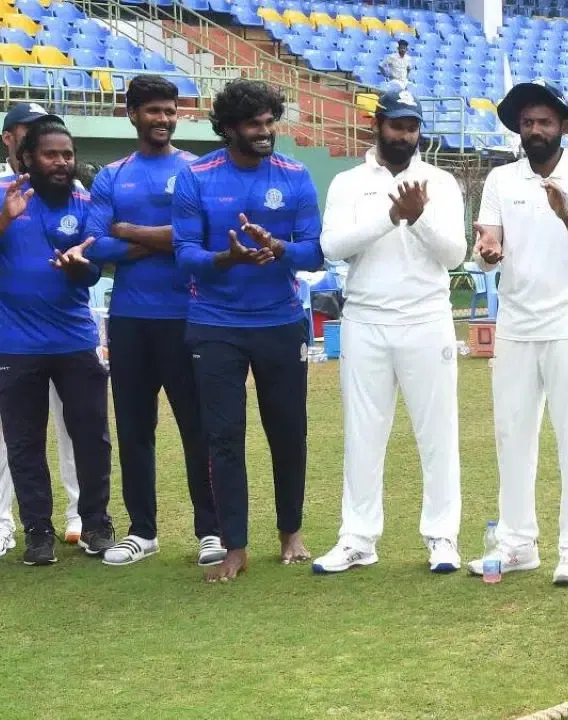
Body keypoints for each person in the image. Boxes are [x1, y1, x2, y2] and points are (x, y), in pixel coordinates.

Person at [173, 79, 325, 582]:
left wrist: (279, 249)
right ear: (229, 127)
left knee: (288, 432)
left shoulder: (296, 175)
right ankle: (234, 546)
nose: (265, 131)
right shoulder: (197, 177)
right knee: (223, 437)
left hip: (281, 322)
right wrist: (226, 256)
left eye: (269, 121)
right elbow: (184, 255)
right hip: (215, 325)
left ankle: (291, 534)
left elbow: (315, 251)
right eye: (253, 124)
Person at [313, 89, 467, 574]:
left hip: (426, 318)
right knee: (363, 433)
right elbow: (333, 246)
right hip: (366, 320)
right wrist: (391, 217)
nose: (405, 135)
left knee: (437, 433)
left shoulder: (439, 181)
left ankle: (442, 536)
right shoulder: (348, 182)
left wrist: (418, 221)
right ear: (377, 124)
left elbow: (455, 256)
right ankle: (358, 537)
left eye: (412, 127)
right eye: (397, 125)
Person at [467, 80, 568, 585]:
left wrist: (564, 212)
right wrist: (488, 252)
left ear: (562, 126)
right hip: (515, 325)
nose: (534, 130)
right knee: (512, 437)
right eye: (527, 123)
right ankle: (518, 542)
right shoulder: (501, 180)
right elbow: (490, 241)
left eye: (544, 122)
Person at [83, 76, 224, 568]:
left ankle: (211, 530)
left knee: (197, 428)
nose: (163, 119)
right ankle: (143, 531)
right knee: (135, 429)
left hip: (189, 316)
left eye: (170, 111)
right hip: (129, 320)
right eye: (153, 111)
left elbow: (201, 236)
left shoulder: (197, 168)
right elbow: (96, 245)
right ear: (133, 115)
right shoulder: (112, 175)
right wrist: (162, 240)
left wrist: (128, 232)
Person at [0, 121, 115, 565]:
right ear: (26, 158)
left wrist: (78, 267)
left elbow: (93, 271)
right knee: (25, 442)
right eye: (51, 154)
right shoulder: (7, 196)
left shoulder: (86, 200)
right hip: (15, 345)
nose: (62, 162)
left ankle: (95, 523)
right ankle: (38, 533)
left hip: (74, 341)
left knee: (91, 437)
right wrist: (5, 219)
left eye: (67, 154)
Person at [0, 102, 80, 554]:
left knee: (74, 424)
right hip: (10, 330)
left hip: (66, 326)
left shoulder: (69, 184)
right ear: (12, 139)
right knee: (13, 433)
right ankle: (4, 521)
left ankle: (77, 514)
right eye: (29, 133)